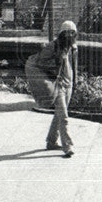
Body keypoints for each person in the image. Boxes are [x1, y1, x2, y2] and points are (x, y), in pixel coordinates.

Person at [24, 20, 78, 158]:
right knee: (64, 116)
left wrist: (75, 81)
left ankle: (51, 141)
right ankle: (68, 146)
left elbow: (74, 66)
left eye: (72, 32)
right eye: (67, 32)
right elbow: (41, 62)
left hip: (69, 83)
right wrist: (54, 67)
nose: (69, 35)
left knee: (58, 115)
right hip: (57, 83)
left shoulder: (73, 47)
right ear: (62, 33)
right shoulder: (52, 47)